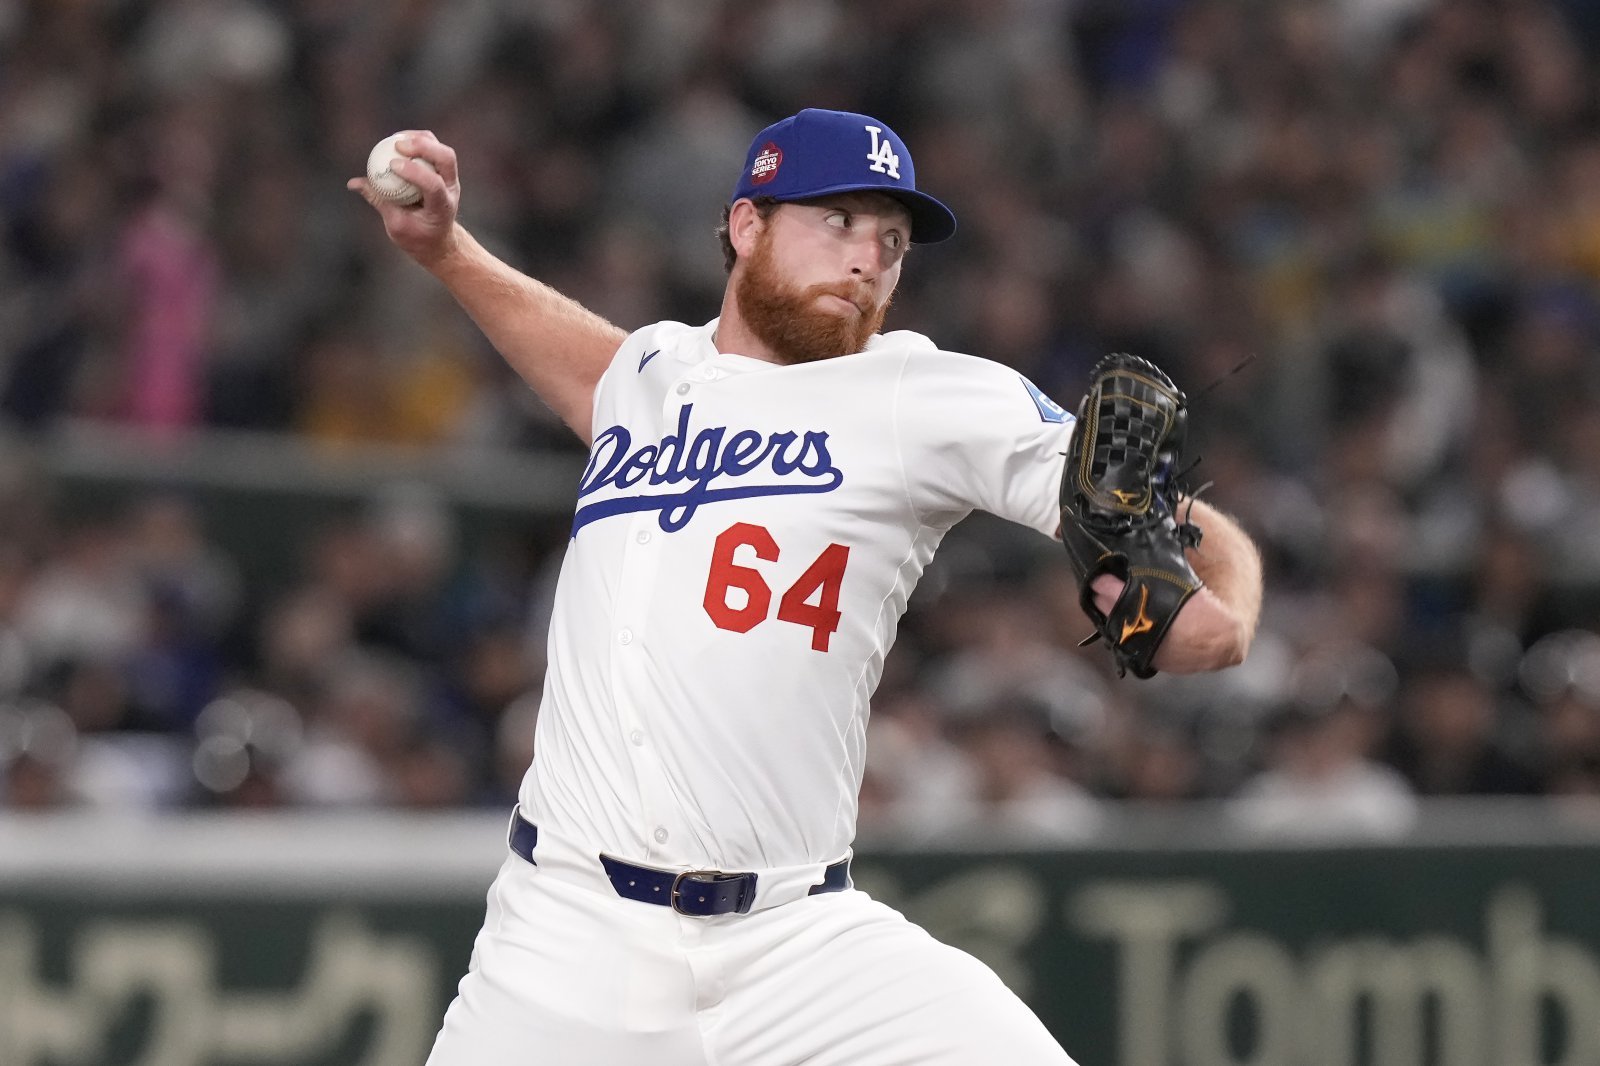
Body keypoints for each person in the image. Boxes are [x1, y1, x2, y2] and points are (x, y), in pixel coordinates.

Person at [351, 107, 1263, 1066]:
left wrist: (1221, 607)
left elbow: (1153, 530)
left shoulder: (922, 394)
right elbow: (593, 368)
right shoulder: (651, 375)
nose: (867, 257)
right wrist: (449, 252)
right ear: (747, 226)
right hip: (562, 939)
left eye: (893, 239)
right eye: (837, 221)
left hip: (796, 948)